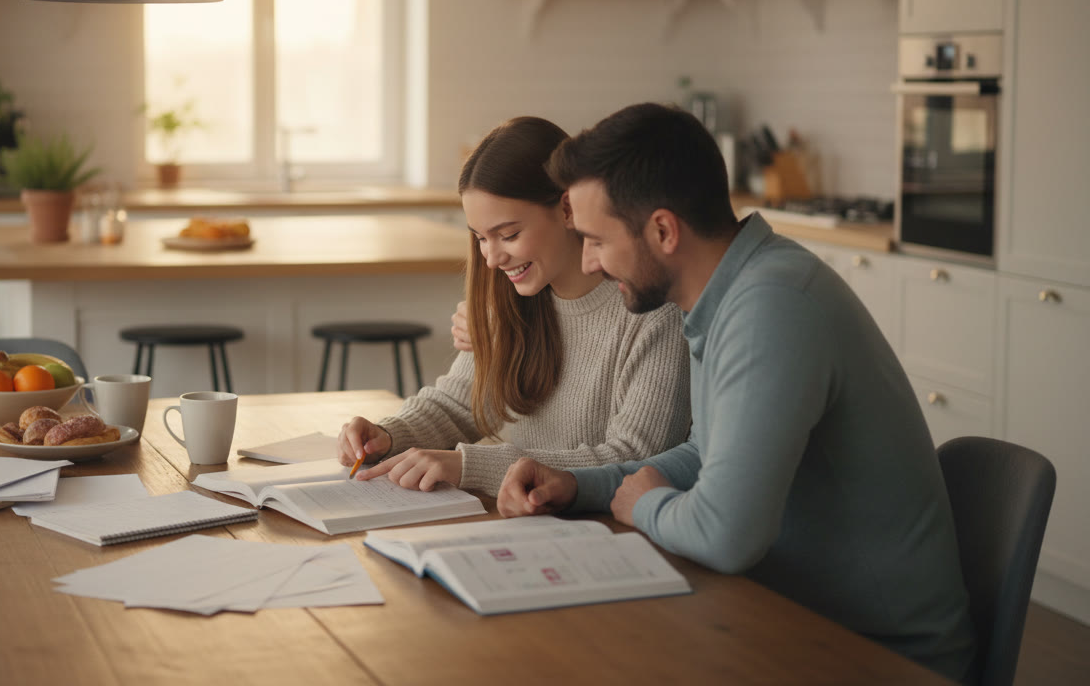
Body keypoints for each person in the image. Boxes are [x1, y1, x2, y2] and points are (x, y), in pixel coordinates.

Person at [496, 103, 974, 681]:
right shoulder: (727, 294)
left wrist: (643, 504)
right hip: (792, 618)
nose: (591, 262)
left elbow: (726, 536)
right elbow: (704, 454)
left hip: (878, 656)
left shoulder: (772, 308)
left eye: (597, 239)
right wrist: (577, 485)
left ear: (664, 231)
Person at [337, 116, 691, 497]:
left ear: (568, 209)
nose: (491, 259)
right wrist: (388, 435)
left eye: (508, 235)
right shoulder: (512, 296)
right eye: (480, 239)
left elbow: (635, 457)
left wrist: (471, 465)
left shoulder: (654, 313)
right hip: (517, 520)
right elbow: (461, 405)